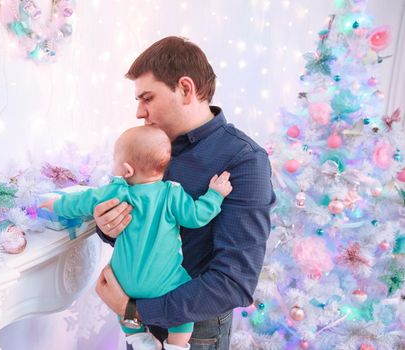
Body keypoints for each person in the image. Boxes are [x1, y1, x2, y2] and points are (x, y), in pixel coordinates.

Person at [93, 36, 276, 350]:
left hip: (195, 331)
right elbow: (140, 228)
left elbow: (235, 282)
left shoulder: (244, 160)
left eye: (147, 98)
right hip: (137, 322)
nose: (139, 112)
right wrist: (107, 225)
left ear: (186, 89)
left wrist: (135, 310)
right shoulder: (147, 145)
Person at [40, 125, 232, 350]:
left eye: (114, 159)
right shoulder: (172, 193)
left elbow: (82, 201)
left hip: (124, 283)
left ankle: (138, 338)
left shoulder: (117, 191)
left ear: (128, 170)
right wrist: (215, 195)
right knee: (183, 315)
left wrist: (55, 204)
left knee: (118, 302)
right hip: (165, 283)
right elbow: (197, 216)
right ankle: (175, 345)